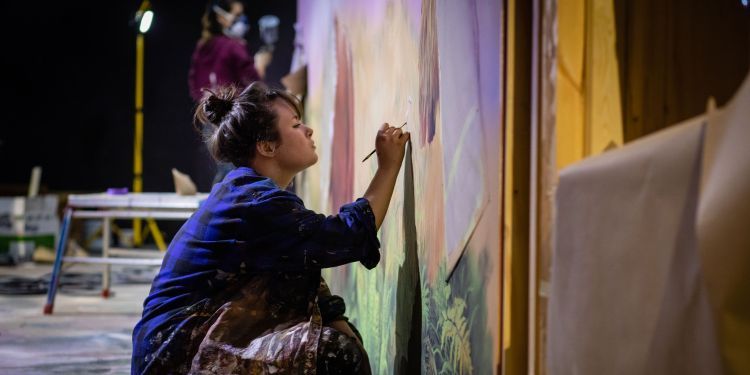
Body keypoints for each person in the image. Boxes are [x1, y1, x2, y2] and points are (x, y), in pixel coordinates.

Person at [131, 82, 410, 374]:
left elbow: (301, 271)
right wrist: (388, 167)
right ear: (266, 146)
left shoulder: (251, 193)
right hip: (173, 357)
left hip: (181, 344)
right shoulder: (254, 202)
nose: (308, 130)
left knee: (335, 340)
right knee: (335, 354)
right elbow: (346, 237)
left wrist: (335, 319)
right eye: (296, 125)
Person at [188, 0, 273, 185]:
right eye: (236, 15)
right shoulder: (234, 47)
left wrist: (210, 106)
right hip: (234, 118)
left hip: (208, 120)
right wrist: (260, 64)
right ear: (221, 17)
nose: (241, 20)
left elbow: (194, 85)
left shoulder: (203, 47)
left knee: (223, 171)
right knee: (236, 172)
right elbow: (254, 83)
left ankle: (220, 208)